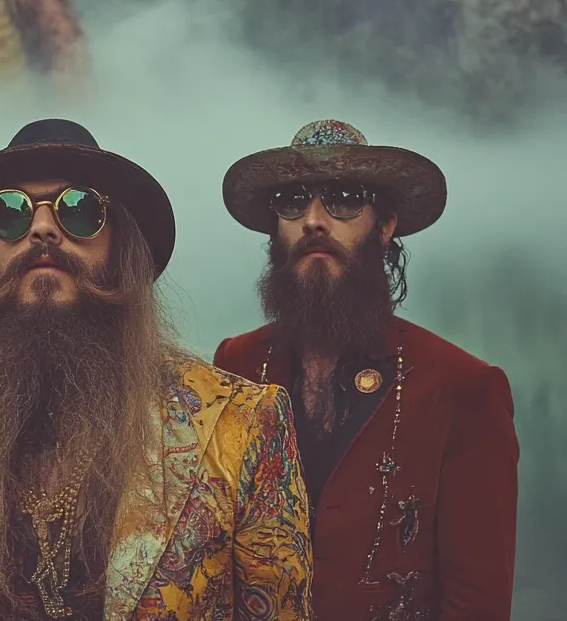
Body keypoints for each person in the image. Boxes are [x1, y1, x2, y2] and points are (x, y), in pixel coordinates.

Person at [0, 118, 314, 620]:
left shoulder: (243, 423)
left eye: (77, 209)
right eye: (9, 211)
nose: (41, 227)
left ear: (120, 244)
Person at [214, 119, 520, 621]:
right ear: (276, 227)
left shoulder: (464, 386)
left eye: (346, 198)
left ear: (385, 225)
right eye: (292, 200)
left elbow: (478, 603)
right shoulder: (237, 364)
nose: (314, 220)